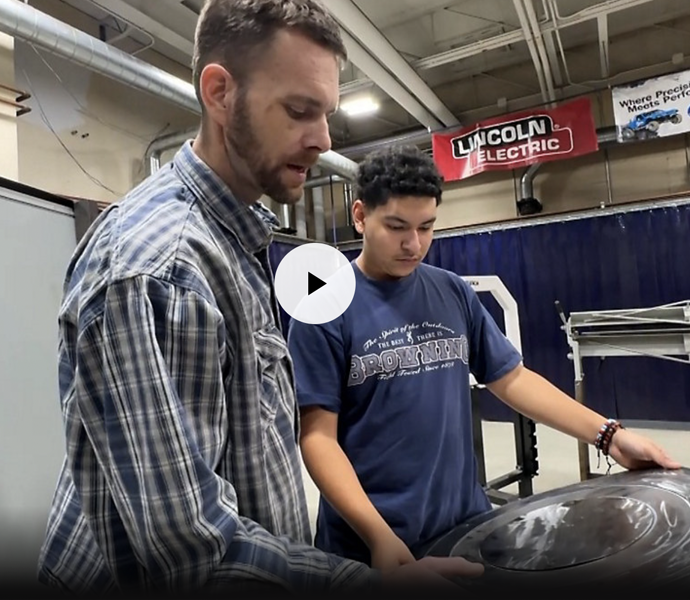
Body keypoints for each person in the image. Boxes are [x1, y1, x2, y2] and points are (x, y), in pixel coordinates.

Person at [35, 1, 482, 597]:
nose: (323, 139)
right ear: (220, 93)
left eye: (326, 114)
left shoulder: (234, 241)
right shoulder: (158, 271)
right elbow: (191, 550)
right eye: (300, 111)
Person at [286, 145, 683, 577]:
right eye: (396, 227)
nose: (413, 244)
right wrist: (379, 538)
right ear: (360, 216)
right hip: (372, 546)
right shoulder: (324, 307)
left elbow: (511, 379)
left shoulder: (451, 291)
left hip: (466, 526)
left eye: (426, 227)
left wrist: (608, 435)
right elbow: (317, 439)